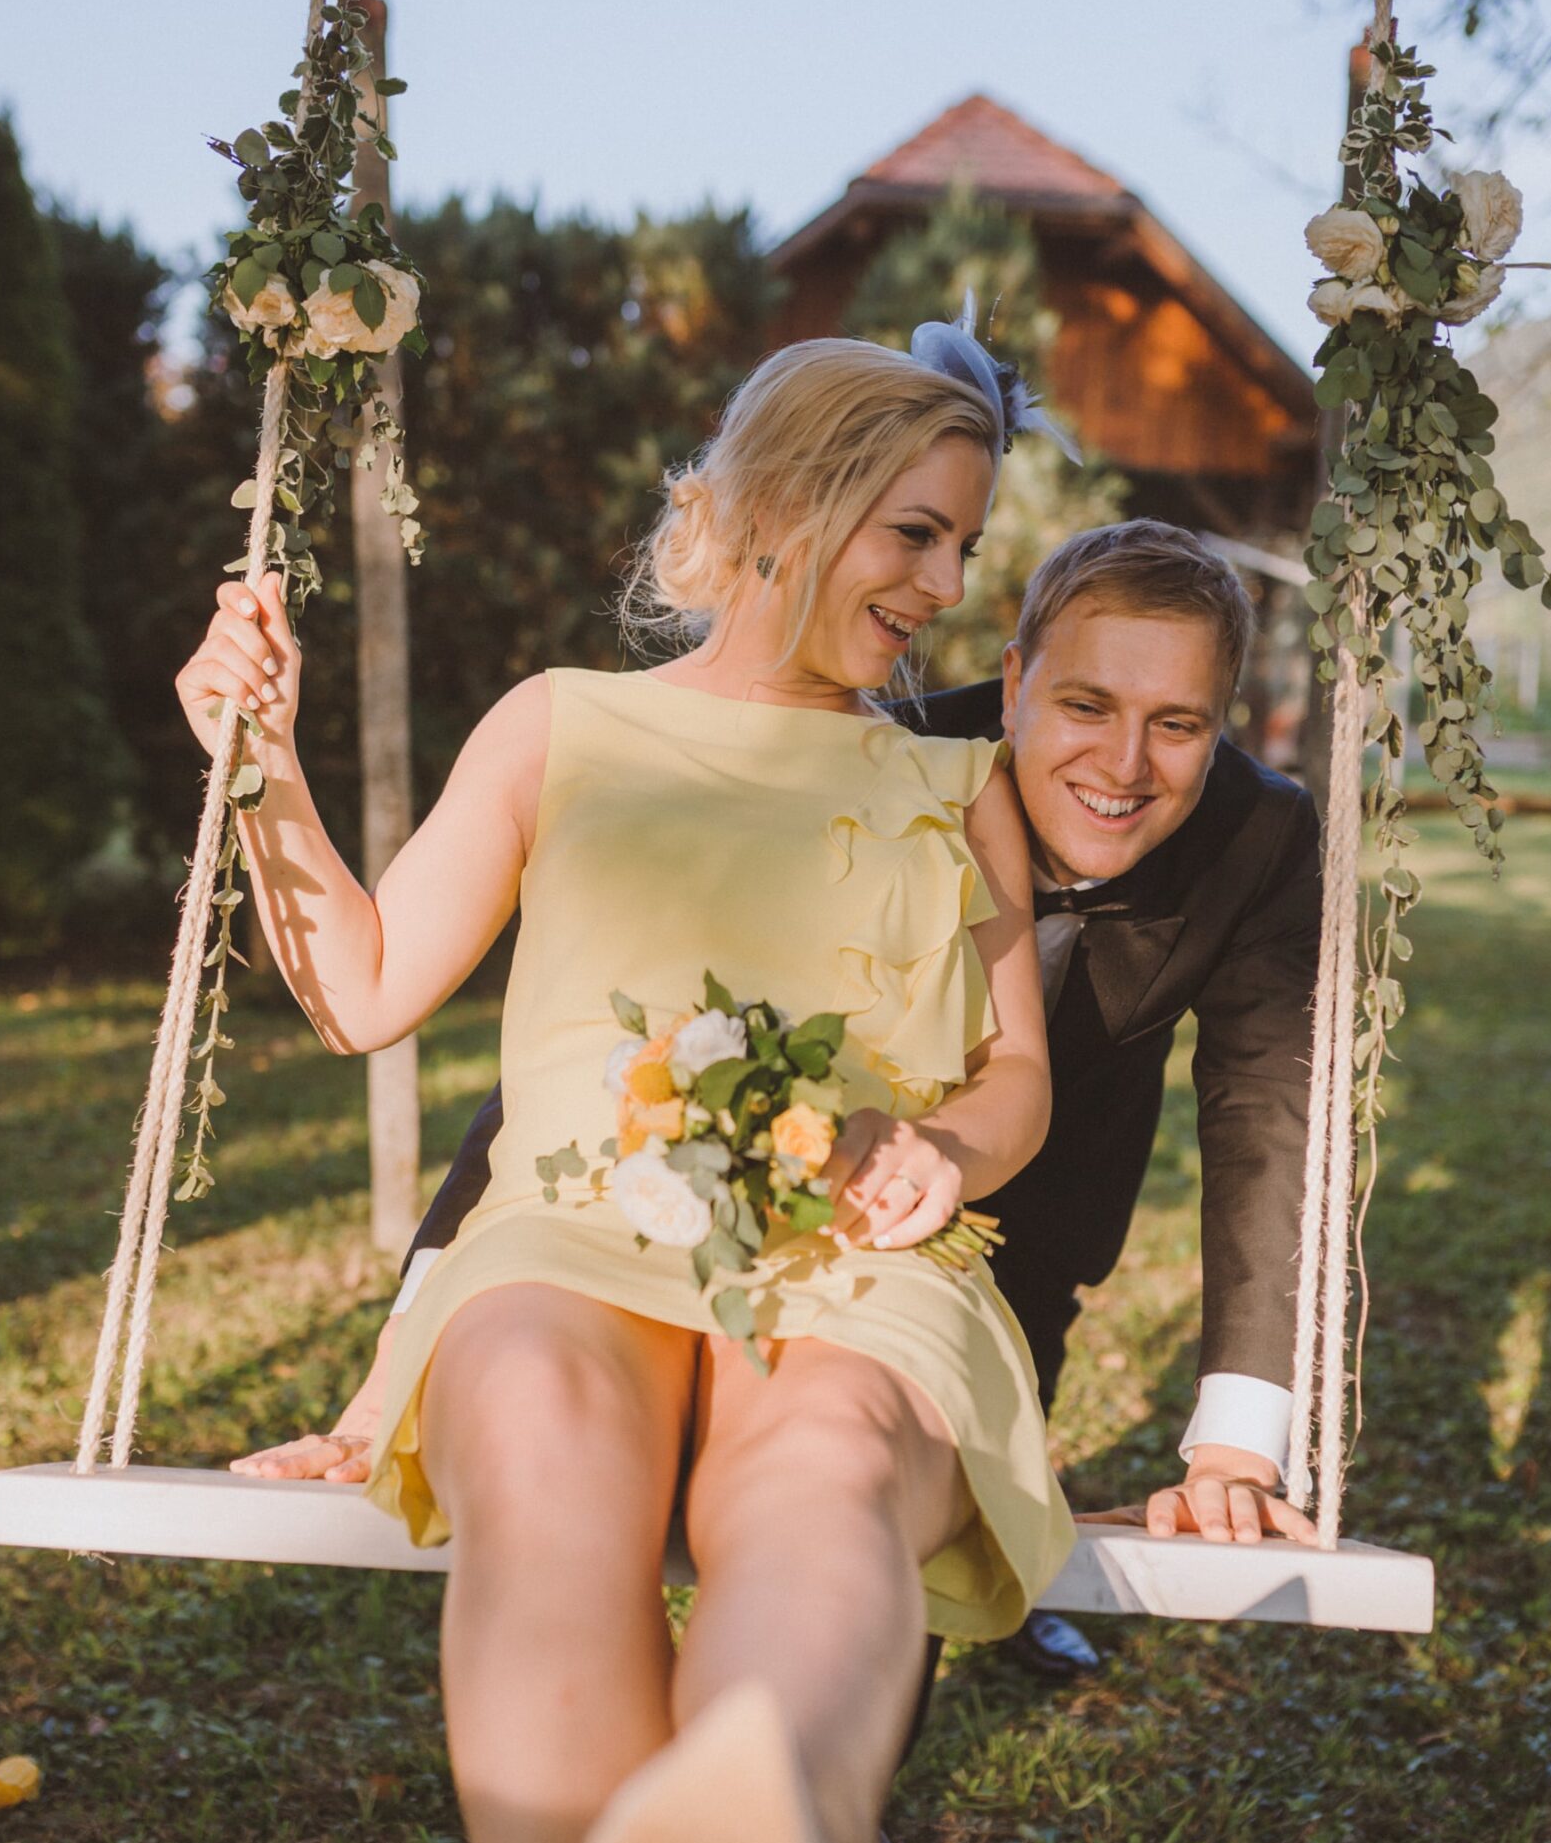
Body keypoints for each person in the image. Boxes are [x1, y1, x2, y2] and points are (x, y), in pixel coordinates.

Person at [187, 325, 1086, 1843]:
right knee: (532, 1420)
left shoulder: (957, 783)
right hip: (577, 1224)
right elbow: (361, 984)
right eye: (916, 533)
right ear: (786, 501)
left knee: (820, 1460)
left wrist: (949, 1149)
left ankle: (760, 1840)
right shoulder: (559, 727)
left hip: (849, 1244)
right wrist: (256, 768)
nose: (946, 586)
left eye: (961, 545)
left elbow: (1013, 1073)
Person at [309, 522, 1328, 1719]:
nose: (1126, 762)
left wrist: (1236, 1443)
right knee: (793, 1458)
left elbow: (1268, 1116)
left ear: (1223, 720)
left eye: (1179, 724)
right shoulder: (878, 757)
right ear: (1014, 680)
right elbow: (602, 1060)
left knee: (928, 1514)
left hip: (1048, 1192)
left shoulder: (1260, 833)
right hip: (822, 1198)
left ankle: (857, 1763)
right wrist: (415, 1327)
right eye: (1087, 705)